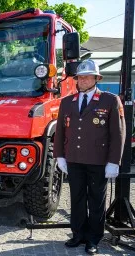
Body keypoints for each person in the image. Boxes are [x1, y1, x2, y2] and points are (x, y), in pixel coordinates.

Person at [54, 59, 126, 255]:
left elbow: (118, 133)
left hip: (98, 160)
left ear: (96, 78)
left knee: (96, 200)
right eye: (80, 77)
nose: (84, 80)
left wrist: (114, 161)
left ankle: (93, 238)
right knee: (76, 199)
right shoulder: (67, 102)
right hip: (74, 159)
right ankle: (78, 234)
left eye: (88, 76)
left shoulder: (110, 100)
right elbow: (60, 131)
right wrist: (59, 155)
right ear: (76, 79)